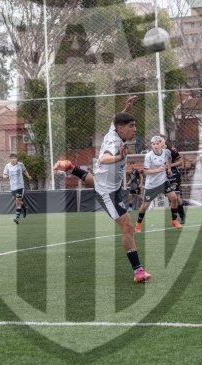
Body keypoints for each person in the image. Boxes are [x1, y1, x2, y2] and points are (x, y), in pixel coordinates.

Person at [53, 98, 152, 283]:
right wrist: (118, 157)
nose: (135, 129)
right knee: (127, 226)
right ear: (121, 129)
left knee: (99, 182)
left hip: (111, 185)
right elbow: (104, 159)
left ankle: (71, 168)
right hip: (108, 193)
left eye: (134, 125)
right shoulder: (114, 144)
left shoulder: (114, 129)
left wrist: (127, 107)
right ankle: (138, 271)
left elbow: (116, 119)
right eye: (131, 126)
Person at [134, 135, 183, 233]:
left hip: (163, 182)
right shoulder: (149, 156)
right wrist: (158, 170)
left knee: (174, 198)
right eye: (153, 144)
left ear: (161, 144)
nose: (155, 146)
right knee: (145, 205)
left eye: (157, 143)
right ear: (151, 145)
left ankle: (174, 220)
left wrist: (169, 169)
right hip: (151, 185)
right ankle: (138, 224)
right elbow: (146, 171)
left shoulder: (166, 152)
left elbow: (169, 159)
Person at [163, 138, 187, 224]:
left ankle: (181, 216)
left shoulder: (172, 150)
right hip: (163, 176)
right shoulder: (155, 152)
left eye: (160, 141)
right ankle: (175, 218)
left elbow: (180, 162)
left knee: (176, 196)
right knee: (171, 198)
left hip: (174, 174)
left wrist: (170, 165)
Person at [3, 153, 31, 224]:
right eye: (12, 158)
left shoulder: (20, 164)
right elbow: (4, 175)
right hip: (13, 187)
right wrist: (6, 176)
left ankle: (17, 218)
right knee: (18, 201)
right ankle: (24, 208)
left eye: (15, 158)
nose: (13, 160)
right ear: (10, 159)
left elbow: (24, 170)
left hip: (20, 187)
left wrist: (28, 176)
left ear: (17, 159)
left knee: (17, 201)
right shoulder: (7, 166)